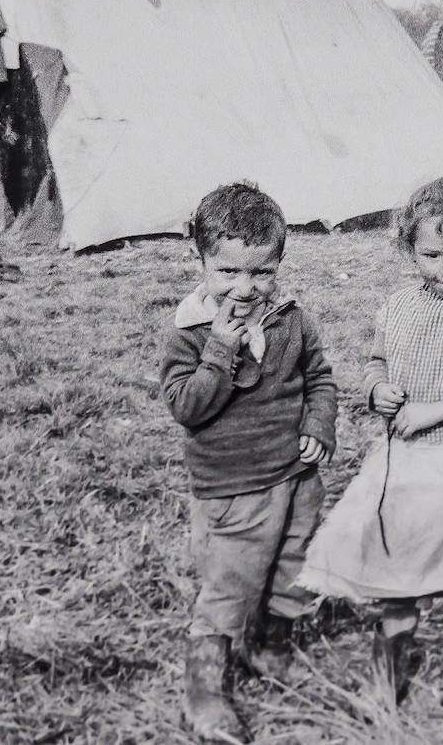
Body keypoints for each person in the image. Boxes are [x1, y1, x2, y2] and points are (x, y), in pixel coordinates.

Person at [298, 172, 443, 706]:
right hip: (405, 469)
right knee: (394, 564)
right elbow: (377, 363)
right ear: (411, 251)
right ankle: (391, 662)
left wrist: (438, 410)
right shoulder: (399, 305)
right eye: (431, 256)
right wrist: (377, 387)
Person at [159, 182, 339, 744]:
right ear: (203, 264)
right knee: (231, 580)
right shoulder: (188, 331)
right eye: (228, 273)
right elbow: (188, 407)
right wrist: (219, 349)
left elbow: (320, 378)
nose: (245, 288)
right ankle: (205, 687)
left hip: (295, 475)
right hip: (232, 486)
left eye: (261, 272)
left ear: (278, 264)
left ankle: (270, 644)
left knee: (294, 563)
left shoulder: (293, 318)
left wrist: (318, 424)